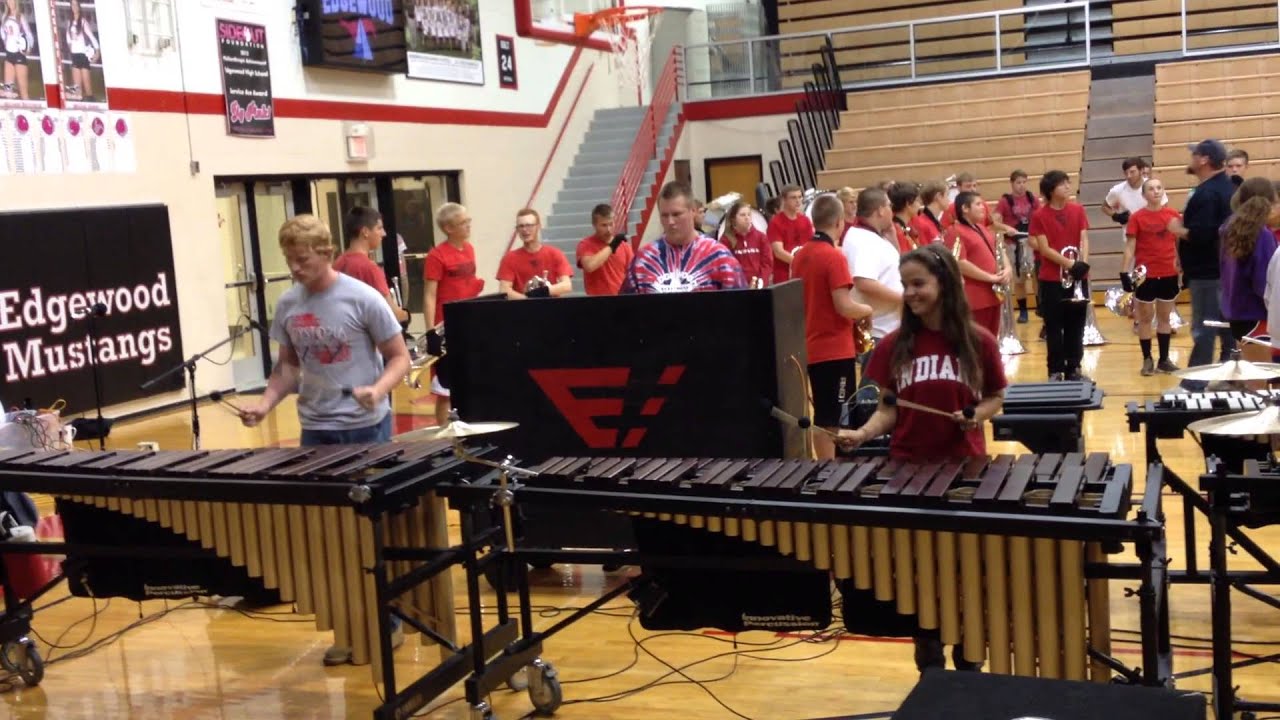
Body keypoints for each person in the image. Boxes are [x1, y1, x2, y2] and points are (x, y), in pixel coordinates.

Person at [237, 214, 410, 665]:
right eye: (290, 261)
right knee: (328, 536)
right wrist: (265, 404)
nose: (295, 269)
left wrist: (379, 389)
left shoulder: (362, 298)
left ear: (326, 253)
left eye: (303, 260)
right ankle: (348, 626)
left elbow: (399, 358)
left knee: (369, 532)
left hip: (366, 428)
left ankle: (387, 623)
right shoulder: (288, 304)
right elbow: (288, 368)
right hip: (315, 430)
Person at [837, 243, 1006, 673]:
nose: (909, 293)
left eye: (918, 284)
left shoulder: (978, 342)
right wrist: (862, 433)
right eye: (905, 284)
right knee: (922, 576)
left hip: (965, 472)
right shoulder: (895, 345)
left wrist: (975, 415)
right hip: (909, 473)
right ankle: (929, 660)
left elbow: (995, 399)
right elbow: (888, 409)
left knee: (967, 574)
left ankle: (969, 660)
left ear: (944, 284)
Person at [790, 194, 872, 459]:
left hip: (810, 346)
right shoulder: (833, 256)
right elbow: (844, 306)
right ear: (839, 222)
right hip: (834, 350)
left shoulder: (800, 256)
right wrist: (867, 310)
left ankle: (827, 469)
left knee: (825, 415)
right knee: (832, 419)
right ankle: (829, 472)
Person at [1169, 139, 1236, 387]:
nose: (1192, 159)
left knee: (1204, 328)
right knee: (1226, 327)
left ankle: (1194, 384)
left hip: (1207, 273)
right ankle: (1231, 376)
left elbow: (1203, 234)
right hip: (1223, 270)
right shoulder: (1227, 187)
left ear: (1204, 159)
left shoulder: (1208, 193)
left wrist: (1178, 229)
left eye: (1194, 154)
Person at [622, 181, 745, 293]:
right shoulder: (643, 260)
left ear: (693, 211)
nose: (670, 221)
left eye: (676, 214)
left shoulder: (718, 256)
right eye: (664, 215)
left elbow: (741, 306)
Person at [423, 202, 484, 426]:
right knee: (445, 389)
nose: (468, 226)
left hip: (468, 323)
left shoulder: (469, 249)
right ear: (448, 228)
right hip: (446, 326)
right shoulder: (436, 256)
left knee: (468, 381)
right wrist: (431, 331)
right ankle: (444, 436)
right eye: (463, 223)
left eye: (468, 221)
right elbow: (430, 295)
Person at [1029, 170, 1091, 381]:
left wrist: (1082, 264)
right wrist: (1070, 264)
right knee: (1054, 326)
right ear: (1050, 190)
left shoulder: (1078, 210)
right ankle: (1055, 370)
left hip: (1077, 278)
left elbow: (1084, 238)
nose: (1067, 186)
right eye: (1062, 184)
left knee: (1076, 325)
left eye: (1067, 182)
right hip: (1052, 279)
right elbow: (1044, 249)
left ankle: (1074, 367)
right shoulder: (1040, 216)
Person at [1123, 178, 1182, 376]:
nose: (1156, 191)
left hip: (1168, 272)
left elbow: (1179, 243)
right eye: (1151, 189)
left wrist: (1184, 266)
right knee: (1145, 318)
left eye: (1159, 188)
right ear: (1143, 194)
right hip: (1144, 274)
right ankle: (1147, 359)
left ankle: (1164, 360)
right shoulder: (1137, 218)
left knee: (1165, 317)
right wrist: (1124, 272)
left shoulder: (1173, 215)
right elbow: (1130, 247)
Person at [841, 188, 903, 366]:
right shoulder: (863, 240)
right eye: (889, 205)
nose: (892, 210)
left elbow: (895, 267)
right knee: (875, 383)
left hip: (889, 327)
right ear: (880, 210)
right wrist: (904, 298)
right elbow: (864, 282)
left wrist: (892, 238)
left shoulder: (872, 236)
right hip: (878, 330)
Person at [1220, 177, 1279, 343]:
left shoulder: (1229, 228)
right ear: (1269, 203)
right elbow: (1265, 284)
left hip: (1237, 314)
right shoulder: (1262, 235)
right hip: (1259, 317)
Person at [335, 206, 410, 324]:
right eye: (379, 228)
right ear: (365, 232)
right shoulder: (369, 268)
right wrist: (406, 315)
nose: (384, 233)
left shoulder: (338, 263)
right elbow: (390, 313)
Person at [949, 191, 1008, 338]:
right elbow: (959, 263)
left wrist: (1008, 269)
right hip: (975, 298)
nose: (983, 207)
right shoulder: (955, 231)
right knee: (977, 341)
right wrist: (990, 277)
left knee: (991, 340)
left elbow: (998, 249)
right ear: (965, 208)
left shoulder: (982, 228)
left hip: (993, 295)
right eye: (978, 204)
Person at [996, 170, 1041, 323]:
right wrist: (1006, 228)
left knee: (1036, 276)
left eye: (1024, 182)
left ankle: (1040, 307)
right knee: (1019, 280)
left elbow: (1041, 216)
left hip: (1031, 242)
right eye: (1018, 182)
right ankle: (1023, 311)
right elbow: (993, 221)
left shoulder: (1032, 199)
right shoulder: (1005, 201)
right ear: (1012, 183)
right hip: (1013, 244)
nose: (1021, 185)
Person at [498, 208, 573, 299]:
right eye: (521, 226)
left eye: (529, 225)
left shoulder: (555, 253)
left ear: (538, 226)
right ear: (517, 229)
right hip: (523, 306)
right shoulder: (509, 258)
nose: (525, 229)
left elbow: (567, 285)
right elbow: (504, 290)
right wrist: (528, 300)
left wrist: (543, 291)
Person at [576, 204, 633, 296]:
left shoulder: (624, 246)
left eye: (611, 224)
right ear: (594, 225)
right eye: (604, 225)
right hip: (597, 299)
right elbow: (589, 266)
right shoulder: (586, 244)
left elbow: (632, 274)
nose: (609, 229)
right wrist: (612, 246)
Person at [767, 184, 813, 284]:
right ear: (784, 200)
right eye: (793, 197)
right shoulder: (775, 223)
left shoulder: (805, 220)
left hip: (805, 272)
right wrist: (800, 263)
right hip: (784, 275)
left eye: (800, 197)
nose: (798, 201)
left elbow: (812, 246)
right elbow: (778, 252)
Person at [719, 200, 773, 286]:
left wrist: (760, 282)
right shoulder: (726, 240)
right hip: (738, 287)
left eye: (749, 214)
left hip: (759, 286)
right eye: (742, 215)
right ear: (733, 219)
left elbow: (767, 263)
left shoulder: (761, 237)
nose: (747, 218)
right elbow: (726, 266)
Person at [1103, 158, 1163, 227]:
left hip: (1152, 231)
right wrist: (1116, 216)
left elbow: (1164, 207)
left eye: (1132, 172)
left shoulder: (1154, 186)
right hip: (1130, 232)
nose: (1129, 176)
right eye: (1126, 173)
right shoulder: (1117, 190)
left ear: (1141, 171)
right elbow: (1104, 207)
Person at [63, 0, 98, 102]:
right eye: (72, 5)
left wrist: (97, 52)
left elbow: (92, 37)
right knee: (77, 91)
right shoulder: (69, 22)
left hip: (83, 56)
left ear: (79, 7)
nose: (74, 7)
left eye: (76, 5)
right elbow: (68, 39)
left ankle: (91, 103)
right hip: (75, 56)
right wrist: (71, 47)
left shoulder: (83, 22)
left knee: (88, 89)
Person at [1, 0, 34, 100]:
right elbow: (3, 34)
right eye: (8, 0)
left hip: (19, 56)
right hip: (9, 56)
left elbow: (29, 35)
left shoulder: (20, 17)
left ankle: (29, 109)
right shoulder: (4, 17)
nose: (10, 2)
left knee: (24, 93)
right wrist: (7, 44)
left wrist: (28, 48)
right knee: (8, 92)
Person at [889, 181, 922, 254]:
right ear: (908, 204)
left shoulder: (906, 225)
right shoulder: (897, 232)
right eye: (917, 200)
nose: (919, 204)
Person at [913, 180, 947, 245]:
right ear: (939, 196)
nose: (949, 200)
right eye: (947, 195)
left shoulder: (934, 222)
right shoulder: (922, 223)